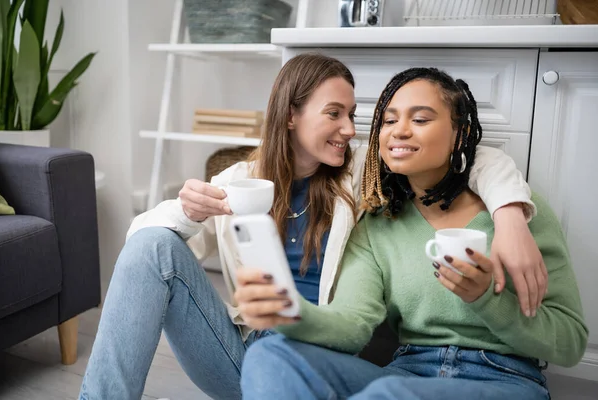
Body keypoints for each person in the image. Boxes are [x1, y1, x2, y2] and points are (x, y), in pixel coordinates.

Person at [79, 55, 545, 400]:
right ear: (290, 116)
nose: (348, 128)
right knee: (154, 245)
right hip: (240, 348)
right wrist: (188, 212)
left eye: (352, 115)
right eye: (334, 113)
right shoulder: (241, 181)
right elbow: (141, 244)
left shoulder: (365, 169)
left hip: (319, 352)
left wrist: (509, 216)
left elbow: (468, 154)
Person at [237, 67, 588, 400]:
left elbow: (570, 343)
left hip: (504, 378)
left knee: (389, 395)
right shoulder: (377, 225)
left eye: (420, 119)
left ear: (460, 134)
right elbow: (353, 325)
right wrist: (292, 312)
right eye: (389, 120)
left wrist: (487, 299)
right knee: (270, 353)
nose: (399, 131)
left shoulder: (518, 213)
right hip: (406, 373)